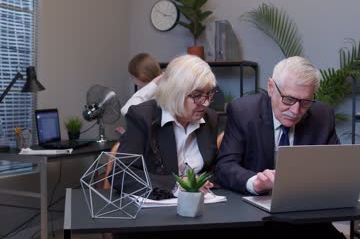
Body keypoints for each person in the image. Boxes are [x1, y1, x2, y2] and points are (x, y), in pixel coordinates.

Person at [215, 56, 345, 238]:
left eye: (305, 102)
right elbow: (225, 167)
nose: (296, 110)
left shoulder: (322, 115)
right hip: (253, 219)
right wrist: (255, 183)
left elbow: (335, 167)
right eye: (289, 99)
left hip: (307, 218)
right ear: (270, 88)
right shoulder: (244, 111)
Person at [115, 54, 218, 200]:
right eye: (197, 95)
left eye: (208, 94)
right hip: (157, 212)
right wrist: (177, 185)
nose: (206, 103)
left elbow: (215, 169)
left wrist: (204, 183)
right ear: (175, 93)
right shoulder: (143, 117)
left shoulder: (209, 119)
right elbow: (120, 174)